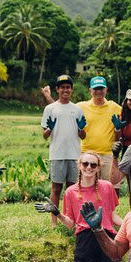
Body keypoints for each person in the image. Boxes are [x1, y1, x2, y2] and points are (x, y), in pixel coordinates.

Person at [34, 152, 125, 262]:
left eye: (93, 165)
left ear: (98, 168)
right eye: (85, 164)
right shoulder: (70, 192)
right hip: (85, 240)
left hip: (107, 238)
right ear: (79, 166)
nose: (89, 167)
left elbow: (112, 216)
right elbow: (70, 224)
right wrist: (57, 213)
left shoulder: (107, 187)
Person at [40, 75, 87, 225]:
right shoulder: (50, 109)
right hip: (57, 154)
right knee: (56, 189)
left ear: (71, 90)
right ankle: (53, 221)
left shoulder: (77, 109)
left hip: (74, 155)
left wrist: (81, 128)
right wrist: (50, 129)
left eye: (68, 87)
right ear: (57, 89)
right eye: (62, 87)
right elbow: (45, 135)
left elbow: (83, 135)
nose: (65, 90)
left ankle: (70, 219)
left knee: (73, 189)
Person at [77, 76, 122, 180]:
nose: (98, 91)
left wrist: (118, 128)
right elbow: (63, 109)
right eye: (95, 89)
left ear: (106, 90)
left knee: (110, 187)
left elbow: (130, 117)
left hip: (108, 155)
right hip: (87, 153)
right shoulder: (81, 107)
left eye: (101, 89)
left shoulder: (115, 107)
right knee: (87, 187)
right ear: (90, 90)